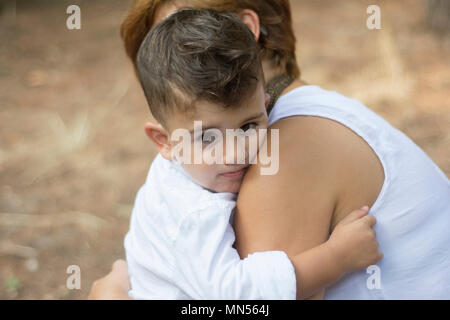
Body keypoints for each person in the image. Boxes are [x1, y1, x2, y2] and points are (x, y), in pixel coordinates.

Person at [90, 0, 450, 299]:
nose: (176, 59)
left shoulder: (288, 147)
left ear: (247, 28)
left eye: (196, 27)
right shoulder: (299, 119)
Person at [123, 9, 381, 300]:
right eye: (207, 137)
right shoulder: (192, 213)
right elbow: (235, 297)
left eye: (248, 126)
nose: (235, 152)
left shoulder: (192, 171)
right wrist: (336, 258)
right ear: (164, 141)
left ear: (265, 106)